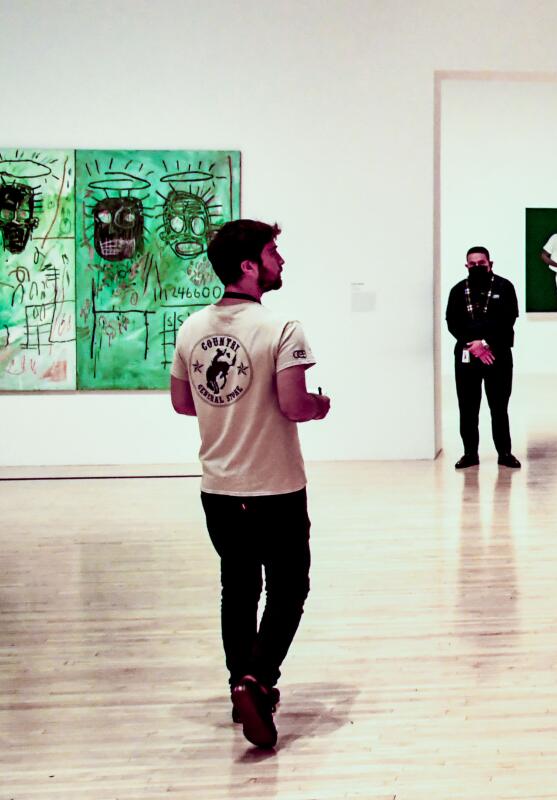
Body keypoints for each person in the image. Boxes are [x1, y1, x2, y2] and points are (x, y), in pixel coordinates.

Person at [169, 219, 330, 749]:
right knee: (289, 586)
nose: (280, 260)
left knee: (238, 588)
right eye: (272, 252)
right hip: (275, 486)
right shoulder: (282, 329)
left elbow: (183, 402)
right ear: (248, 266)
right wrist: (319, 406)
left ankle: (242, 688)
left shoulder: (191, 329)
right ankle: (256, 680)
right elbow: (293, 404)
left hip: (218, 486)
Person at [445, 246, 521, 469]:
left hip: (498, 355)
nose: (477, 267)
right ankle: (470, 453)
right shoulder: (458, 290)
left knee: (499, 406)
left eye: (482, 263)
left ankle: (504, 453)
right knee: (467, 407)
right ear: (467, 266)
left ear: (490, 264)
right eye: (473, 264)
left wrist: (486, 343)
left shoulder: (505, 287)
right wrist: (475, 346)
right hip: (467, 356)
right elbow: (452, 322)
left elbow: (508, 319)